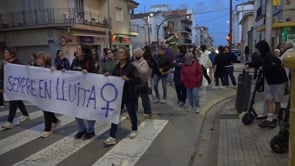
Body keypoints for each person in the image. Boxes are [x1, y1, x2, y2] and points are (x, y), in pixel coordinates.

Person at [104, 47, 141, 146]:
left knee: (131, 112)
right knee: (115, 114)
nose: (119, 54)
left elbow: (138, 80)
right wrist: (109, 76)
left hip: (129, 94)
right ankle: (112, 136)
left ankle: (134, 129)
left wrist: (128, 79)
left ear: (126, 55)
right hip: (118, 95)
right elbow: (115, 78)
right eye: (118, 52)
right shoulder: (116, 67)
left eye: (121, 52)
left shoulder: (131, 67)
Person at [255, 40, 288, 128]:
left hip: (279, 82)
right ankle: (269, 119)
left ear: (262, 49)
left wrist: (264, 68)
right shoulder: (264, 57)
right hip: (273, 82)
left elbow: (275, 67)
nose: (256, 51)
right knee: (269, 99)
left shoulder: (270, 57)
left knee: (276, 101)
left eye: (257, 49)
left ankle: (275, 118)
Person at [70, 44, 97, 140]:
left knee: (90, 111)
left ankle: (90, 130)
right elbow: (71, 74)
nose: (76, 50)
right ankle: (82, 129)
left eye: (78, 49)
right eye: (76, 48)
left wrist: (88, 73)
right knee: (76, 111)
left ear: (84, 52)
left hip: (88, 91)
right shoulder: (74, 61)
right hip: (77, 90)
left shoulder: (89, 61)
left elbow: (95, 76)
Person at [1, 48, 30, 129]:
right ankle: (26, 115)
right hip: (9, 86)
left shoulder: (17, 63)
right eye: (5, 53)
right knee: (18, 101)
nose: (5, 54)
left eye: (6, 53)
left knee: (13, 103)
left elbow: (22, 73)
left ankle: (9, 121)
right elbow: (2, 75)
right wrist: (2, 86)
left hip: (16, 87)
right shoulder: (4, 63)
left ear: (11, 54)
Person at [34, 52, 61, 138]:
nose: (38, 60)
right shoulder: (35, 68)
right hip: (41, 93)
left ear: (45, 60)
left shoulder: (49, 68)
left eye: (40, 58)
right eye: (37, 58)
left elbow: (56, 77)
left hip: (49, 94)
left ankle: (47, 129)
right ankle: (55, 121)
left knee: (46, 110)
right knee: (46, 109)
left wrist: (54, 71)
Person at [132, 47, 152, 118]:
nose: (133, 56)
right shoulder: (134, 62)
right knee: (134, 98)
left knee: (144, 98)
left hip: (143, 82)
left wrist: (137, 66)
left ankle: (147, 112)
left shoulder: (144, 62)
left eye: (134, 55)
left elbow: (144, 72)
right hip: (135, 82)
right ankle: (133, 111)